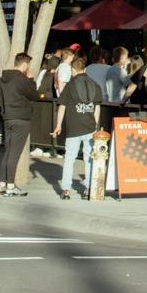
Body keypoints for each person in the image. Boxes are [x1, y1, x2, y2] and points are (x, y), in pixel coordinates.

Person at [53, 58, 107, 201]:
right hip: (90, 127)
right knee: (89, 159)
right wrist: (95, 125)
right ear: (85, 69)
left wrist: (58, 125)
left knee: (69, 159)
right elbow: (97, 107)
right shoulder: (95, 85)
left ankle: (66, 190)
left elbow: (62, 107)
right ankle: (88, 188)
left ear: (73, 70)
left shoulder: (70, 86)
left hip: (73, 128)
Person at [0, 51, 40, 195]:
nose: (28, 68)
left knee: (8, 152)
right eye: (28, 65)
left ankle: (2, 184)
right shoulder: (22, 79)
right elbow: (34, 95)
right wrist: (31, 80)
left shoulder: (4, 78)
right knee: (14, 153)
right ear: (25, 64)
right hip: (21, 118)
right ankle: (10, 186)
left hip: (8, 117)